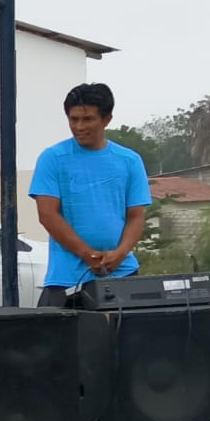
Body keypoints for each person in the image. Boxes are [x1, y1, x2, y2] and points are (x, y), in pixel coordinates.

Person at [30, 83, 152, 307]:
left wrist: (120, 254)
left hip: (123, 273)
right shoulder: (52, 158)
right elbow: (47, 215)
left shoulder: (130, 161)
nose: (79, 126)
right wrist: (87, 255)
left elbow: (136, 216)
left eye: (87, 119)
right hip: (67, 279)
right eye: (73, 119)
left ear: (107, 119)